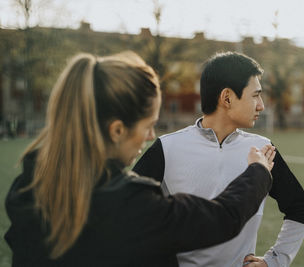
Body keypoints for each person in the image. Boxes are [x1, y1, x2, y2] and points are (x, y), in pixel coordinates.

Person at [4, 51, 277, 267]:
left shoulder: (28, 186)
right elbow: (220, 219)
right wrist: (258, 171)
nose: (150, 136)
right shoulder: (127, 204)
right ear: (117, 130)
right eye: (147, 125)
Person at [134, 52, 304, 267]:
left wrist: (274, 261)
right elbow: (129, 216)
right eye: (255, 95)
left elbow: (299, 208)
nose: (261, 106)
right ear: (227, 98)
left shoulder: (263, 150)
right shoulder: (166, 147)